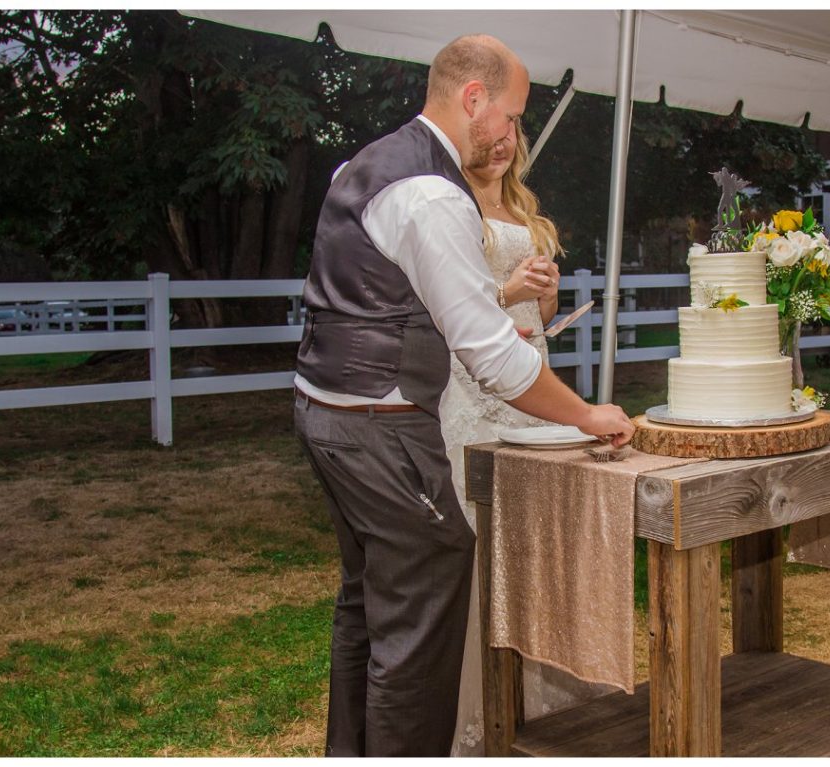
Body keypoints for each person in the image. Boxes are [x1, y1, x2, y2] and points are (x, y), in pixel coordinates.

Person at [292, 34, 635, 758]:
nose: (513, 133)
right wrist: (587, 413)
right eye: (510, 116)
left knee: (366, 605)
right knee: (420, 621)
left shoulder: (362, 164)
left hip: (323, 412)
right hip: (380, 429)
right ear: (473, 100)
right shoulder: (432, 195)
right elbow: (492, 357)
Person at [443, 124, 613, 756]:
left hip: (532, 378)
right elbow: (444, 302)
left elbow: (538, 319)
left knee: (541, 534)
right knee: (485, 536)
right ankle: (480, 710)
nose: (505, 143)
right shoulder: (449, 202)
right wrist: (505, 292)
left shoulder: (525, 210)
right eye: (496, 133)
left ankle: (553, 703)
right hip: (471, 384)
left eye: (515, 132)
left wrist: (543, 298)